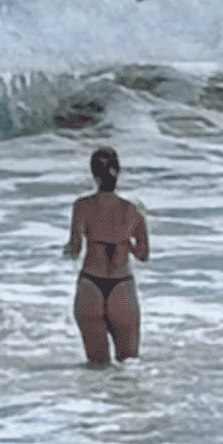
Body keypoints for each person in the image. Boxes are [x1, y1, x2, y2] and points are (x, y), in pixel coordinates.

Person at [65, 145, 149, 365]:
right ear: (118, 172)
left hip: (90, 286)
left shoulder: (82, 206)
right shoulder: (133, 211)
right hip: (121, 287)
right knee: (129, 365)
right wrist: (124, 243)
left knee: (97, 367)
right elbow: (143, 255)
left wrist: (66, 251)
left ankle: (94, 400)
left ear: (93, 174)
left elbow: (75, 248)